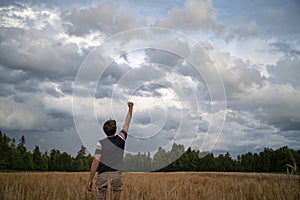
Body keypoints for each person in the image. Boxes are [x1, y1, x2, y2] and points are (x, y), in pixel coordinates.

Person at [87, 102, 134, 200]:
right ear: (115, 129)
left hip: (102, 176)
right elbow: (127, 123)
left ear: (104, 131)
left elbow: (96, 161)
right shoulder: (121, 138)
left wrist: (90, 180)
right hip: (116, 175)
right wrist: (130, 109)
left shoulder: (100, 144)